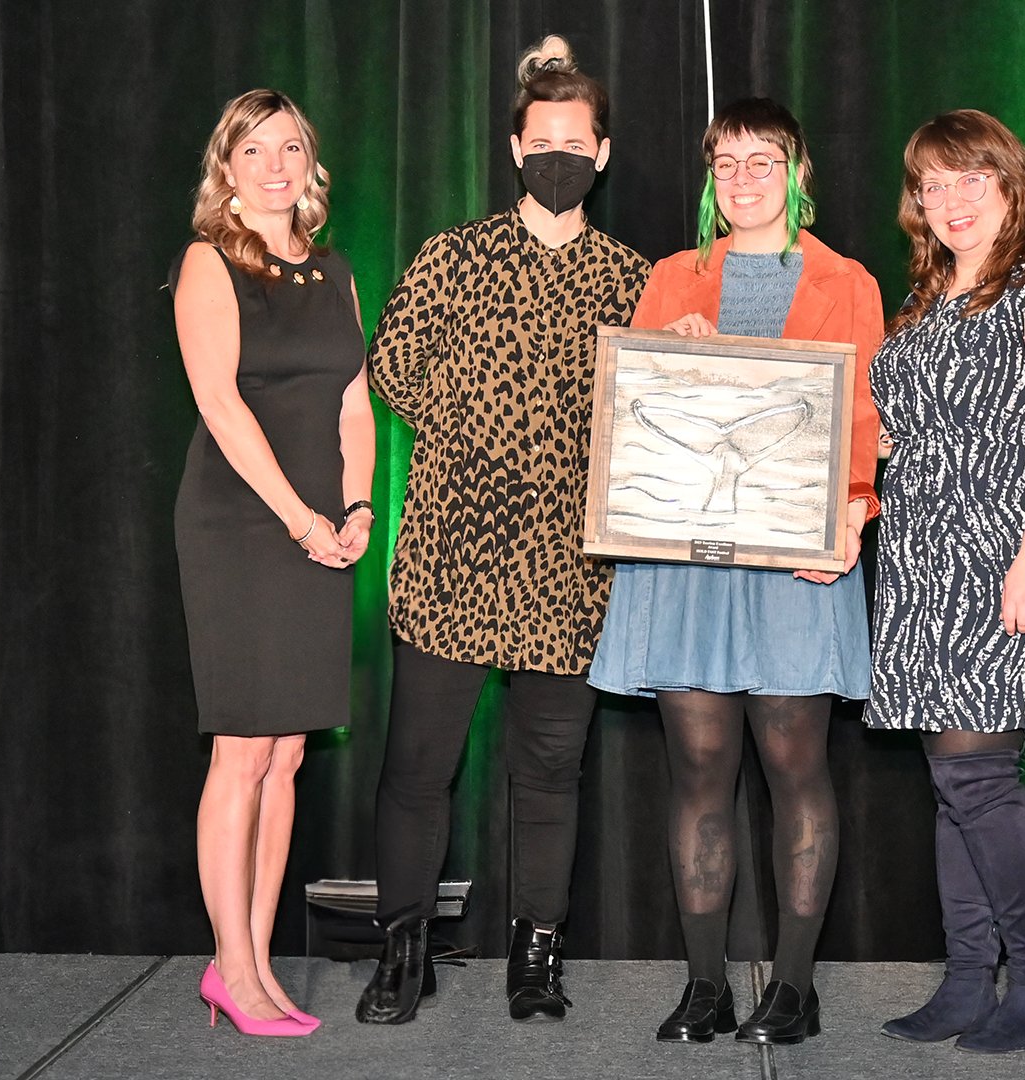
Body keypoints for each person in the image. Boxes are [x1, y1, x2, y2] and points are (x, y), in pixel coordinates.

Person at [356, 35, 649, 1027]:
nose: (558, 156)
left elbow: (653, 414)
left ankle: (538, 953)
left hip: (572, 571)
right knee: (417, 769)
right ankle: (402, 951)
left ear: (602, 154)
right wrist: (491, 424)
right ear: (515, 148)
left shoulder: (632, 279)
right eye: (542, 140)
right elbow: (393, 368)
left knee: (549, 774)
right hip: (449, 557)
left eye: (577, 141)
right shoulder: (453, 254)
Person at [587, 97, 885, 1047]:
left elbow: (865, 419)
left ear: (797, 171)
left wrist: (855, 510)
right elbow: (632, 411)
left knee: (797, 764)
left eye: (763, 161)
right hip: (685, 558)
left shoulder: (849, 281)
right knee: (700, 772)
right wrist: (662, 362)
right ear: (710, 179)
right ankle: (706, 985)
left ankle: (794, 987)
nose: (744, 178)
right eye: (726, 164)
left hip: (798, 558)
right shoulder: (673, 277)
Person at [865, 109, 1025, 1055]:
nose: (952, 200)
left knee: (980, 776)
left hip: (1005, 555)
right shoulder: (926, 296)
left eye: (973, 179)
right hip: (923, 562)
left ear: (1011, 184)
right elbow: (895, 436)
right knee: (953, 782)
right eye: (933, 183)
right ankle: (969, 980)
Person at [170, 89, 372, 1038]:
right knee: (243, 750)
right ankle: (233, 970)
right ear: (229, 168)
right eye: (255, 150)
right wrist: (299, 518)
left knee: (289, 753)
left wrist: (360, 504)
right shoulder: (209, 262)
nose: (276, 164)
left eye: (290, 146)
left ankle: (251, 966)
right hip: (243, 526)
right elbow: (220, 403)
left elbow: (354, 407)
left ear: (311, 164)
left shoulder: (335, 274)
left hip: (321, 528)